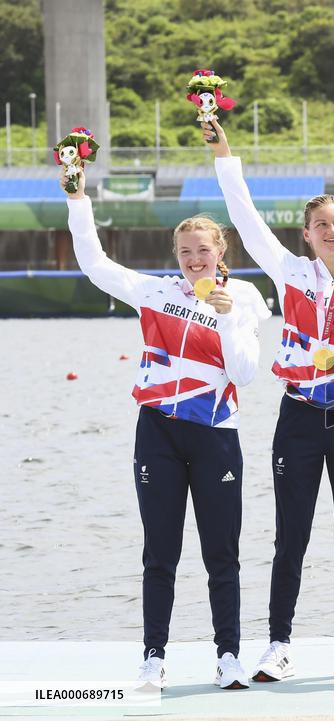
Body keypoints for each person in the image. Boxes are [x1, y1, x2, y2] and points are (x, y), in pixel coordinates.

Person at [205, 119, 334, 682]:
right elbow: (242, 213)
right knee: (290, 537)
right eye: (321, 224)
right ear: (307, 234)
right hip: (298, 416)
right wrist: (224, 152)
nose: (332, 230)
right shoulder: (289, 271)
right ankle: (279, 645)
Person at [63, 169, 270, 691]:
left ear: (221, 251)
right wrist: (79, 200)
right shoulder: (155, 292)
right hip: (157, 432)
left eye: (203, 250)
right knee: (160, 550)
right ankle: (154, 658)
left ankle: (228, 657)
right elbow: (94, 264)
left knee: (221, 553)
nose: (195, 259)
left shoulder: (245, 298)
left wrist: (223, 317)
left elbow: (245, 373)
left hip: (216, 435)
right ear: (176, 256)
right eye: (185, 252)